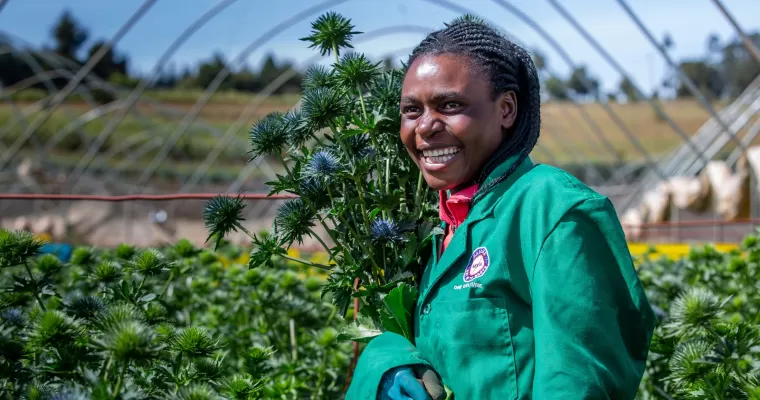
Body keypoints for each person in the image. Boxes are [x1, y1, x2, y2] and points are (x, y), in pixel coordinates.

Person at [346, 18, 658, 400]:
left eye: (450, 104)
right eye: (412, 110)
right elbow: (425, 338)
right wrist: (389, 365)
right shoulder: (435, 223)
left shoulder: (553, 210)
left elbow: (578, 382)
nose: (425, 126)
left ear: (506, 109)